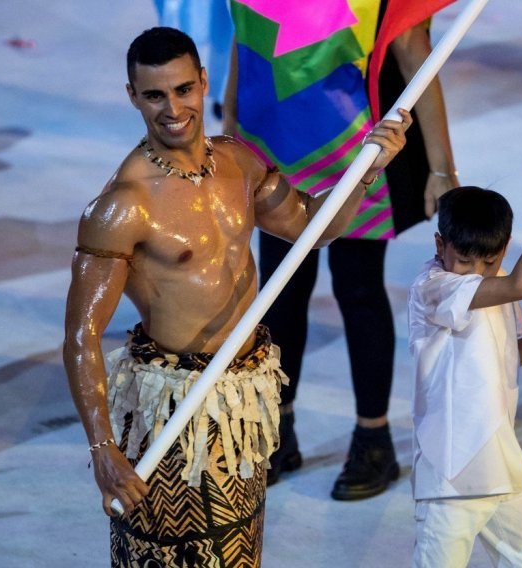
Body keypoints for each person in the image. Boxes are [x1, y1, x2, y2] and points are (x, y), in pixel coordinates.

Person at [62, 27, 410, 566]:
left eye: (182, 89)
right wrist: (103, 449)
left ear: (203, 83)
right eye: (154, 95)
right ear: (132, 96)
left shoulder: (237, 163)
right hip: (173, 410)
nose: (172, 108)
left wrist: (368, 169)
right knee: (166, 556)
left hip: (241, 400)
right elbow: (81, 337)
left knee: (238, 550)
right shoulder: (121, 208)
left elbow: (312, 228)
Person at [224, 0, 459, 499]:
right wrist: (226, 140)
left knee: (358, 289)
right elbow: (242, 44)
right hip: (270, 151)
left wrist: (441, 168)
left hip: (355, 157)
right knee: (281, 293)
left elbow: (417, 58)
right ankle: (275, 431)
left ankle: (373, 440)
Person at [407, 166, 522, 568]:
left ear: (502, 251)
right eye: (465, 261)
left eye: (489, 261)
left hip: (503, 466)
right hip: (452, 475)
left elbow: (505, 357)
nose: (478, 273)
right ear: (439, 244)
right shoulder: (433, 288)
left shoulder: (494, 279)